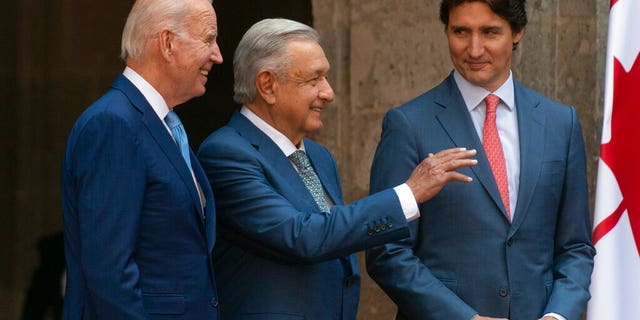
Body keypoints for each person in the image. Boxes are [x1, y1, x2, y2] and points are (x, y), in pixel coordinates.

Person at [197, 18, 477, 320]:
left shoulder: (319, 156)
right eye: (314, 80)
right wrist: (407, 194)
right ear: (267, 85)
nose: (328, 93)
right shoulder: (226, 153)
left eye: (326, 78)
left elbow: (337, 241)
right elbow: (302, 236)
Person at [366, 1, 595, 320]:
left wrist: (558, 315)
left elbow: (576, 248)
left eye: (490, 32)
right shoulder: (408, 124)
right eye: (461, 31)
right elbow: (386, 251)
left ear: (517, 32)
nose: (474, 49)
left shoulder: (561, 122)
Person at [60, 0, 223, 318]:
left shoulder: (162, 123)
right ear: (167, 43)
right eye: (208, 39)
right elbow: (110, 272)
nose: (217, 55)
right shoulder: (114, 124)